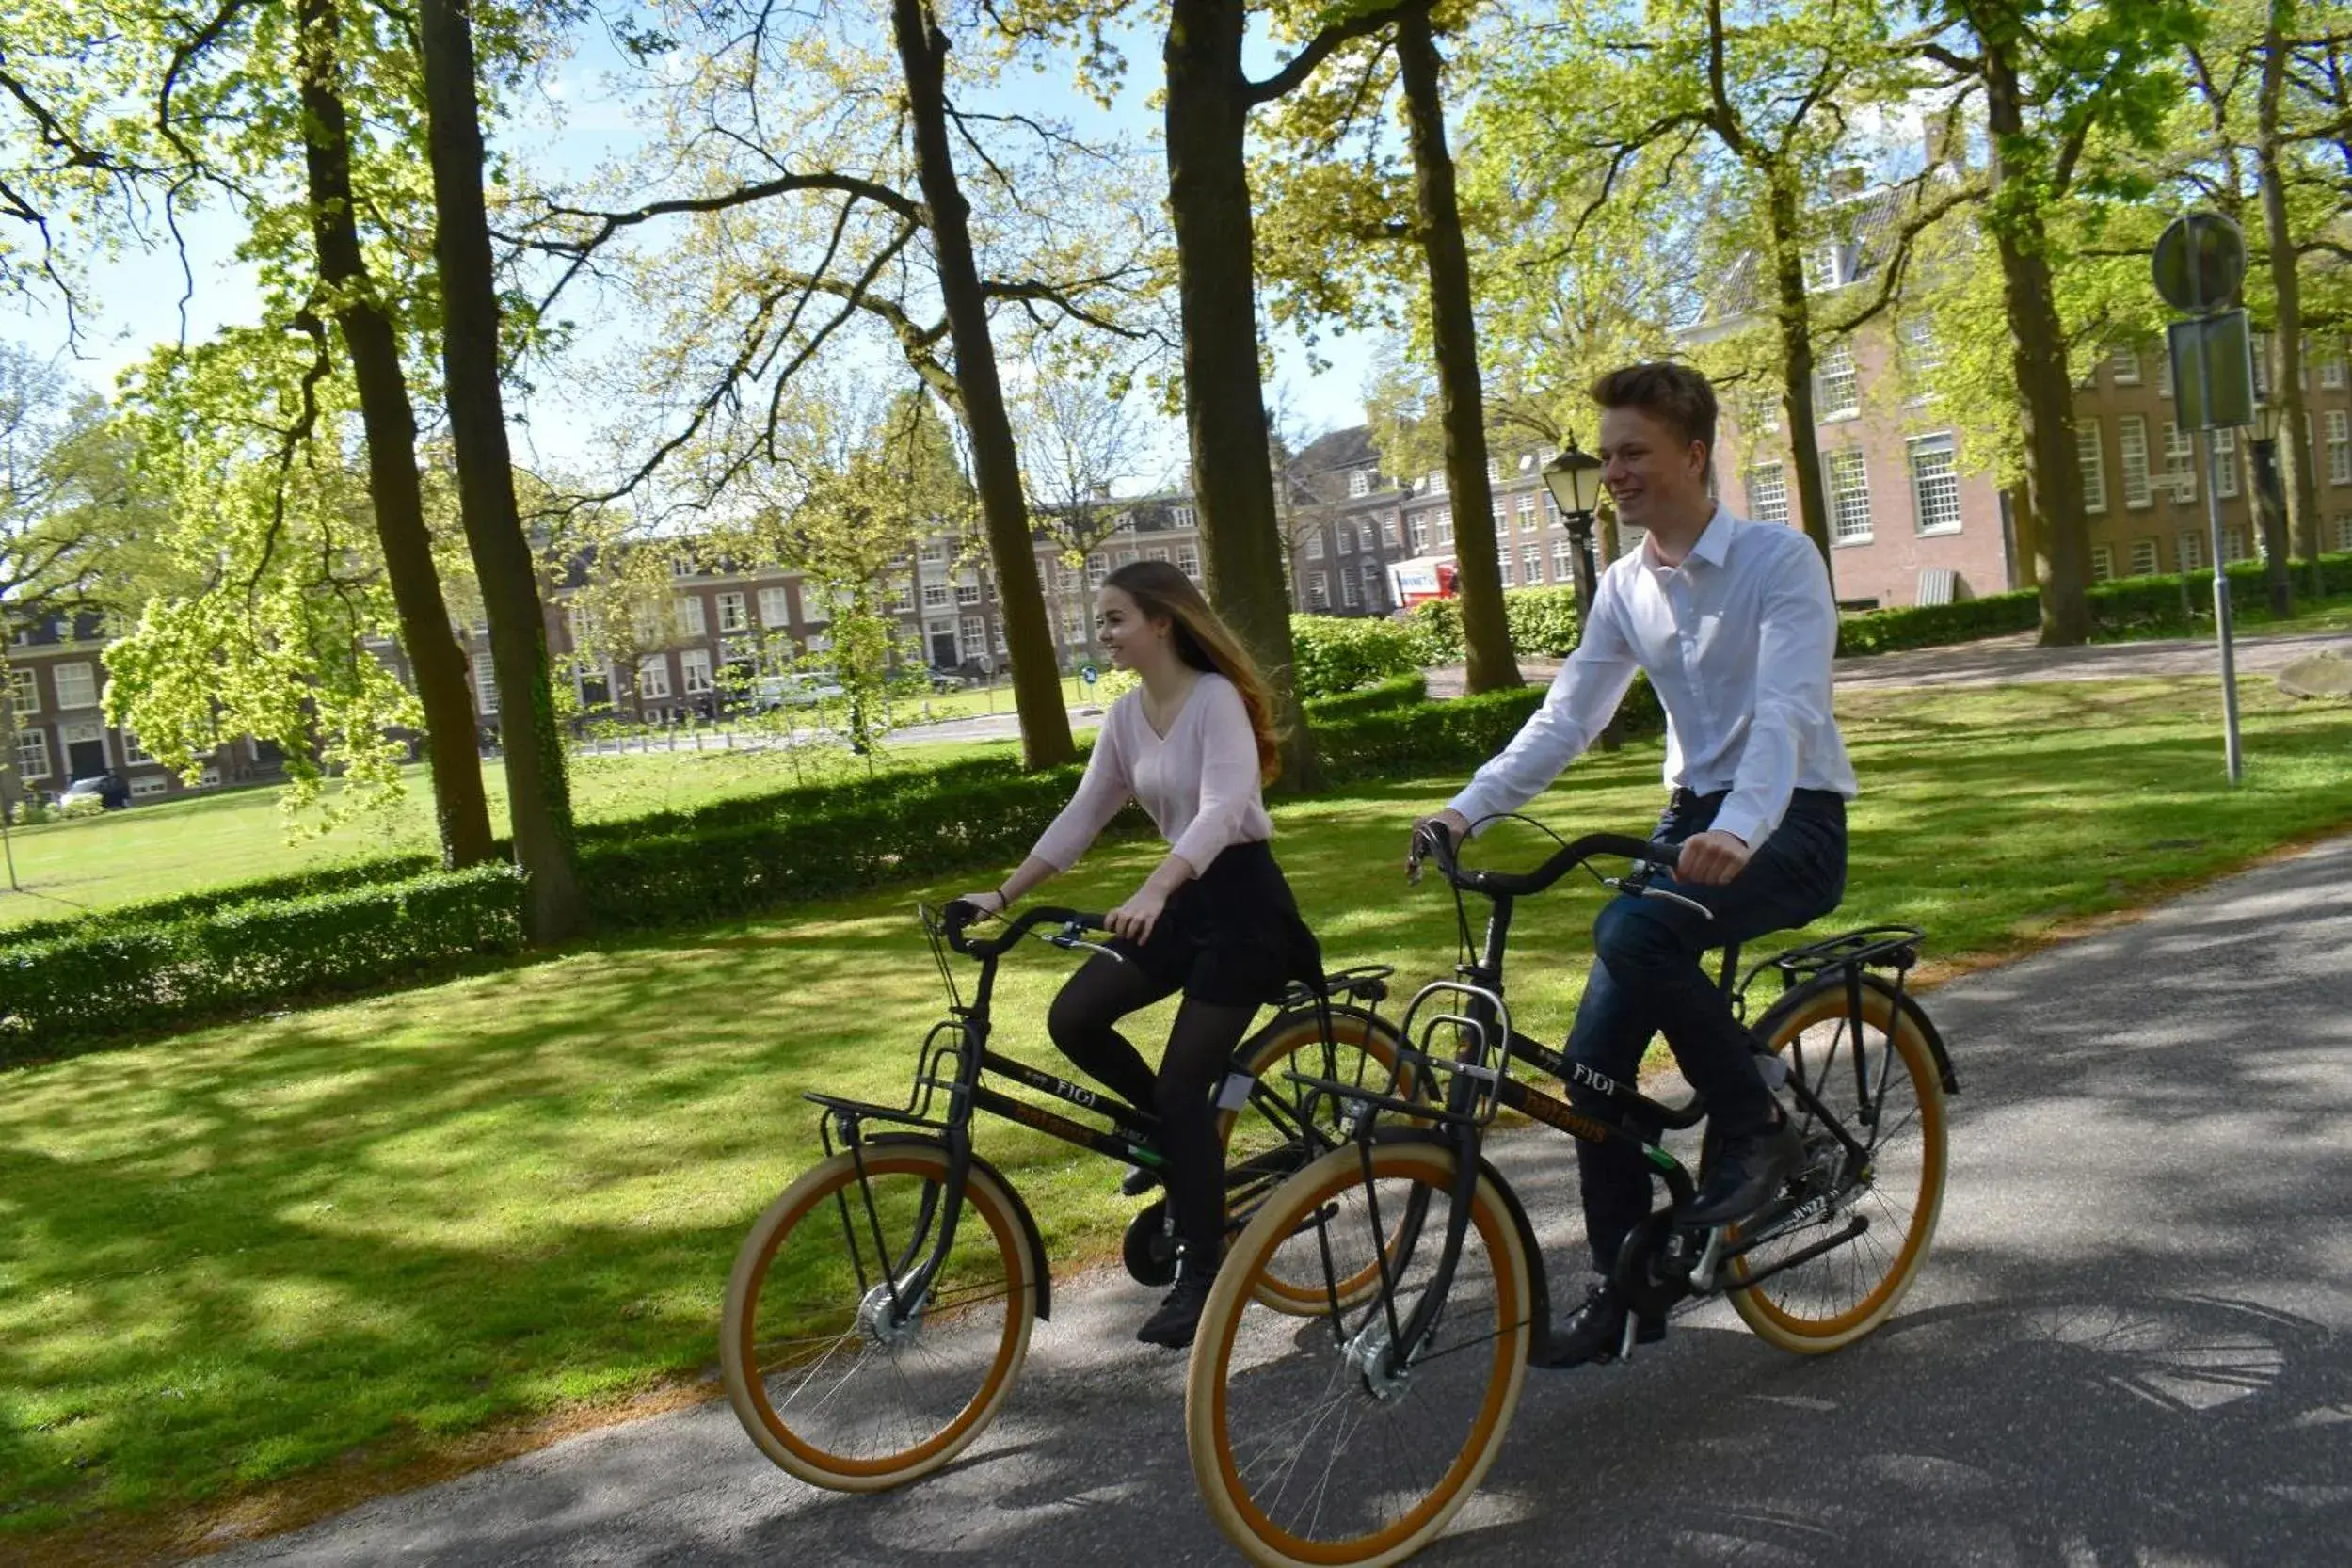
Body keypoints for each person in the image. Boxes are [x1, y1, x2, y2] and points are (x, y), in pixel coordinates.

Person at [1414, 361, 1856, 1368]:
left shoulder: (1781, 563)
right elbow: (1568, 716)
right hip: (1696, 815)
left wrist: (1741, 827)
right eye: (1606, 453)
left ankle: (1756, 1124)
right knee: (1591, 1070)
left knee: (1631, 927)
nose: (1613, 471)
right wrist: (1464, 809)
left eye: (1633, 452)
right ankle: (1622, 1286)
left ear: (1694, 455)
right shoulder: (1624, 585)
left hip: (1792, 816)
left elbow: (1788, 712)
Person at [959, 560, 1320, 1349]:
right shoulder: (1126, 716)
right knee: (1076, 1016)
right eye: (1102, 618)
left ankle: (1205, 1265)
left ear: (1162, 621)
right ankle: (1177, 1150)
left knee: (1185, 1084)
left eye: (1116, 617)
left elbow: (1226, 809)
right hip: (1185, 899)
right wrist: (1002, 895)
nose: (1105, 631)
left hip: (1242, 907)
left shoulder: (1214, 699)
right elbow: (1083, 812)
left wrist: (1154, 890)